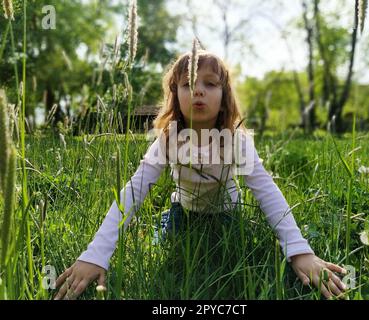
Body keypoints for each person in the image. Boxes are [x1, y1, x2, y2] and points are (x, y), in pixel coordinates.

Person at [54, 50, 348, 300]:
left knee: (232, 252)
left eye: (210, 83)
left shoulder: (236, 140)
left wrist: (298, 251)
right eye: (187, 84)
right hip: (183, 213)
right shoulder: (168, 139)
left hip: (229, 215)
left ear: (225, 94)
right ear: (174, 94)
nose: (198, 90)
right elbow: (134, 190)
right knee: (166, 247)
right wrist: (96, 253)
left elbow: (266, 191)